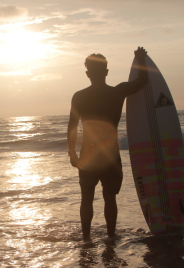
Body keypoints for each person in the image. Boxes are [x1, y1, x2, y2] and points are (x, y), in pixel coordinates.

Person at [67, 47, 148, 240]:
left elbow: (71, 127)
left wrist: (72, 153)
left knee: (86, 199)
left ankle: (86, 239)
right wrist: (140, 59)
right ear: (106, 72)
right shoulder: (117, 92)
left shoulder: (79, 96)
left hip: (87, 153)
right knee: (110, 198)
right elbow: (142, 81)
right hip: (110, 155)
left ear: (87, 74)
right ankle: (111, 237)